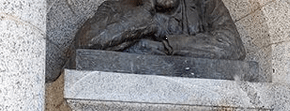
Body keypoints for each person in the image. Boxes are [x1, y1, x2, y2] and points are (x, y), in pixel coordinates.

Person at [74, 0, 246, 60]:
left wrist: (166, 46)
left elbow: (233, 47)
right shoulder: (118, 7)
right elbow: (85, 42)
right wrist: (139, 19)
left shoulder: (205, 4)